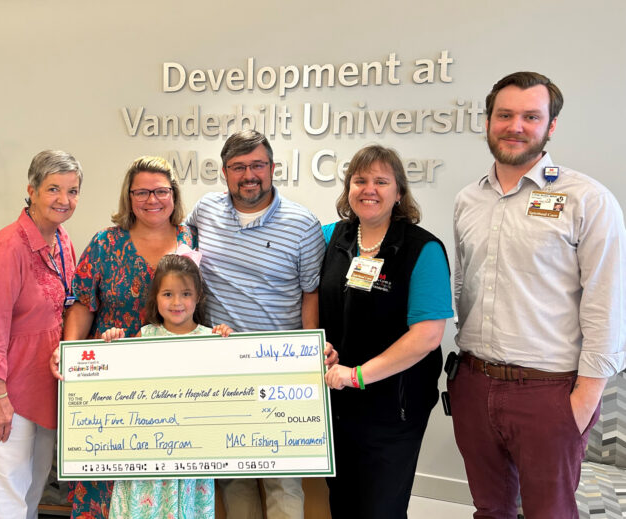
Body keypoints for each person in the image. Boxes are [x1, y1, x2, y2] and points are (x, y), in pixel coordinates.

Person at [450, 71, 626, 518]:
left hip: (548, 391)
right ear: (488, 121)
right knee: (490, 511)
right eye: (504, 115)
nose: (515, 126)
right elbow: (463, 285)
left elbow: (607, 303)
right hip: (473, 382)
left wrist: (584, 399)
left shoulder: (586, 199)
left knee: (550, 513)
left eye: (531, 116)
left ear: (551, 126)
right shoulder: (468, 200)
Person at [185, 129, 333, 519]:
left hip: (278, 366)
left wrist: (308, 357)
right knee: (234, 475)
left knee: (283, 478)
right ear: (224, 171)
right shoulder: (205, 211)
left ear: (272, 168)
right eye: (238, 167)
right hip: (221, 364)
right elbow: (182, 256)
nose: (249, 175)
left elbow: (310, 295)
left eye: (257, 165)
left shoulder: (303, 224)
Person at [51, 156, 197, 518]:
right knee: (106, 480)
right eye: (142, 192)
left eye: (161, 191)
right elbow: (83, 302)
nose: (152, 200)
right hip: (111, 380)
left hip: (172, 384)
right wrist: (68, 351)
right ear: (128, 197)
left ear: (174, 194)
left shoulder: (190, 239)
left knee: (158, 487)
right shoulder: (105, 242)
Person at [321, 144, 453, 517]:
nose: (369, 189)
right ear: (348, 189)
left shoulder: (422, 249)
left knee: (380, 507)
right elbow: (311, 299)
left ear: (399, 192)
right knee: (342, 501)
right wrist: (319, 344)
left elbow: (427, 335)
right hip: (337, 402)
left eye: (381, 181)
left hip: (393, 406)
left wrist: (358, 376)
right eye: (360, 180)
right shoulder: (332, 237)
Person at [0, 150, 82, 518]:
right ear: (31, 190)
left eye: (73, 191)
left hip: (43, 383)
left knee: (32, 490)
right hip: (6, 386)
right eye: (53, 189)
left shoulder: (62, 239)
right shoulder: (9, 245)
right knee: (8, 495)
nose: (64, 200)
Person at [101, 253, 232, 519]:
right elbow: (118, 387)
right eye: (167, 294)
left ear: (198, 297)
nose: (177, 302)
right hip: (143, 459)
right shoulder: (144, 336)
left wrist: (229, 345)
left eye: (185, 294)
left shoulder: (213, 338)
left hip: (190, 463)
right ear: (156, 298)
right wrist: (112, 345)